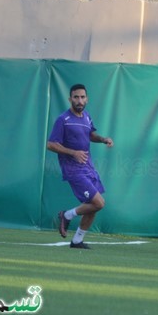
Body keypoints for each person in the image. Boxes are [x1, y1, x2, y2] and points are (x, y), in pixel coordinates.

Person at [47, 84, 114, 249]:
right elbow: (50, 144)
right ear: (70, 99)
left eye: (82, 97)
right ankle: (66, 215)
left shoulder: (87, 117)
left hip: (88, 168)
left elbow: (90, 135)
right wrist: (73, 152)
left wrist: (103, 139)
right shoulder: (63, 120)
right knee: (99, 202)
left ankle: (77, 240)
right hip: (73, 169)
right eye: (76, 97)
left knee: (92, 207)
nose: (79, 100)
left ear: (87, 99)